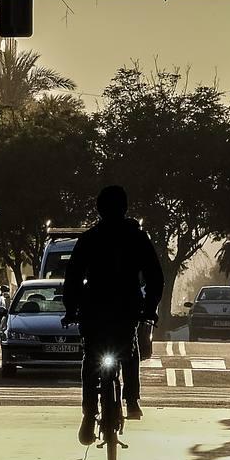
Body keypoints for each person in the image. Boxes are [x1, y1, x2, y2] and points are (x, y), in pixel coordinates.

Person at [62, 185, 165, 445]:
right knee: (129, 351)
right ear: (125, 208)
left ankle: (89, 414)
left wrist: (70, 309)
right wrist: (150, 307)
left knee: (91, 358)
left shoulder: (90, 238)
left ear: (99, 210)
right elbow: (155, 276)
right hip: (127, 306)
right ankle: (132, 401)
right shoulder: (137, 237)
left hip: (94, 307)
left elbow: (72, 277)